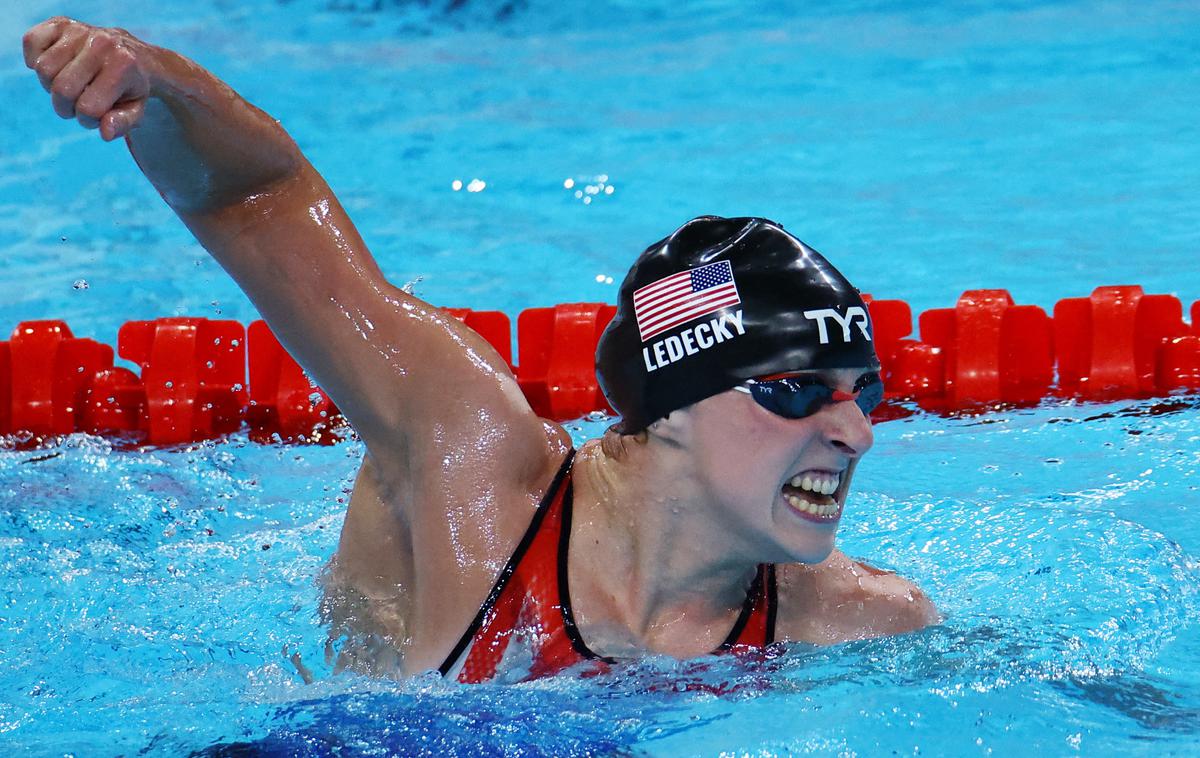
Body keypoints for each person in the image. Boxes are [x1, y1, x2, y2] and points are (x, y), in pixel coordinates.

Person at [24, 17, 939, 683]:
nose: (855, 432)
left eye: (863, 392)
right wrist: (155, 80)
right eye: (792, 392)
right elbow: (259, 201)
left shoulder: (860, 621)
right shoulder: (475, 461)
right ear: (671, 411)